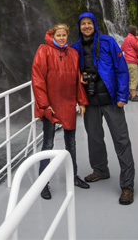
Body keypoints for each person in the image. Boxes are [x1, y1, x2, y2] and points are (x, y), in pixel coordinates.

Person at [72, 11, 134, 204]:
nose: (86, 26)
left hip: (112, 100)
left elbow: (121, 68)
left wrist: (123, 95)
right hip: (90, 101)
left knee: (121, 140)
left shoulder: (108, 42)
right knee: (95, 139)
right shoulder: (75, 48)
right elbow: (71, 75)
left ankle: (127, 185)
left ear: (95, 25)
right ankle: (100, 170)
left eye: (89, 23)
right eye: (83, 23)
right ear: (79, 27)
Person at [30, 22, 88, 200]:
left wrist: (82, 102)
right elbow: (37, 78)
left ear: (67, 36)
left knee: (71, 142)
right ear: (52, 36)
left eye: (64, 35)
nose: (62, 38)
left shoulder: (73, 53)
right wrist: (44, 104)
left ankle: (74, 175)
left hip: (69, 102)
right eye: (58, 35)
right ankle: (43, 183)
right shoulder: (44, 50)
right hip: (51, 104)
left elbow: (77, 80)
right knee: (48, 143)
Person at [121, 25, 138, 101]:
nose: (137, 31)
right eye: (136, 30)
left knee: (129, 79)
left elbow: (122, 48)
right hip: (132, 61)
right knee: (134, 78)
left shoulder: (126, 38)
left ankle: (129, 95)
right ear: (134, 31)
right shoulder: (133, 38)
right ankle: (134, 96)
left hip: (126, 61)